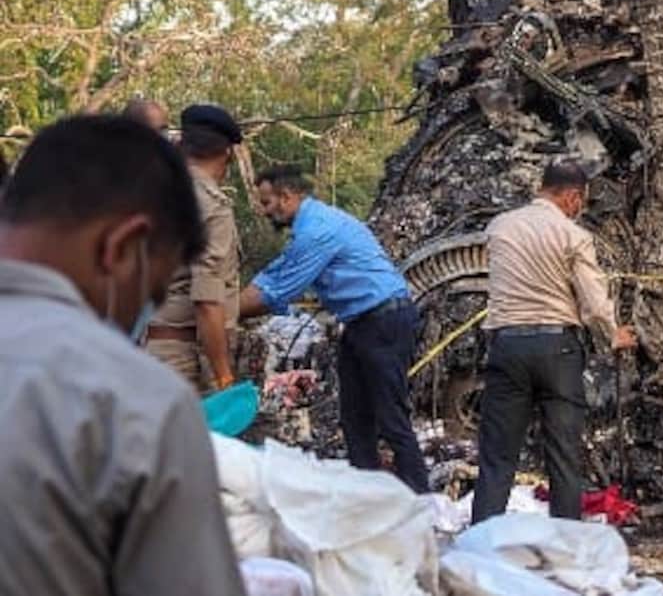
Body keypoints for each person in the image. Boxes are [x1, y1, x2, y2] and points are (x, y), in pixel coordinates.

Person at [0, 116, 245, 596]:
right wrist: (223, 375)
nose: (140, 312)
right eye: (148, 292)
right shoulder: (137, 404)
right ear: (122, 247)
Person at [239, 165, 429, 493]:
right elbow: (273, 276)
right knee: (355, 418)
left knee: (390, 418)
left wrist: (218, 312)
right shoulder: (311, 226)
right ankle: (366, 497)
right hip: (359, 323)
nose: (265, 211)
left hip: (383, 319)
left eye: (268, 203)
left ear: (286, 197)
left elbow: (277, 289)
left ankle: (423, 504)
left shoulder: (317, 230)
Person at [471, 160, 637, 524]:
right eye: (582, 201)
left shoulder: (499, 227)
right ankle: (566, 541)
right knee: (562, 452)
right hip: (557, 350)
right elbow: (594, 299)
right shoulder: (573, 235)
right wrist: (614, 333)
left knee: (498, 454)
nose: (581, 209)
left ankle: (480, 542)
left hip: (507, 346)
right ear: (572, 197)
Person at [144, 103, 242, 392]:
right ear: (227, 153)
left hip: (147, 346)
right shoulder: (212, 207)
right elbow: (207, 300)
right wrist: (223, 375)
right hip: (183, 358)